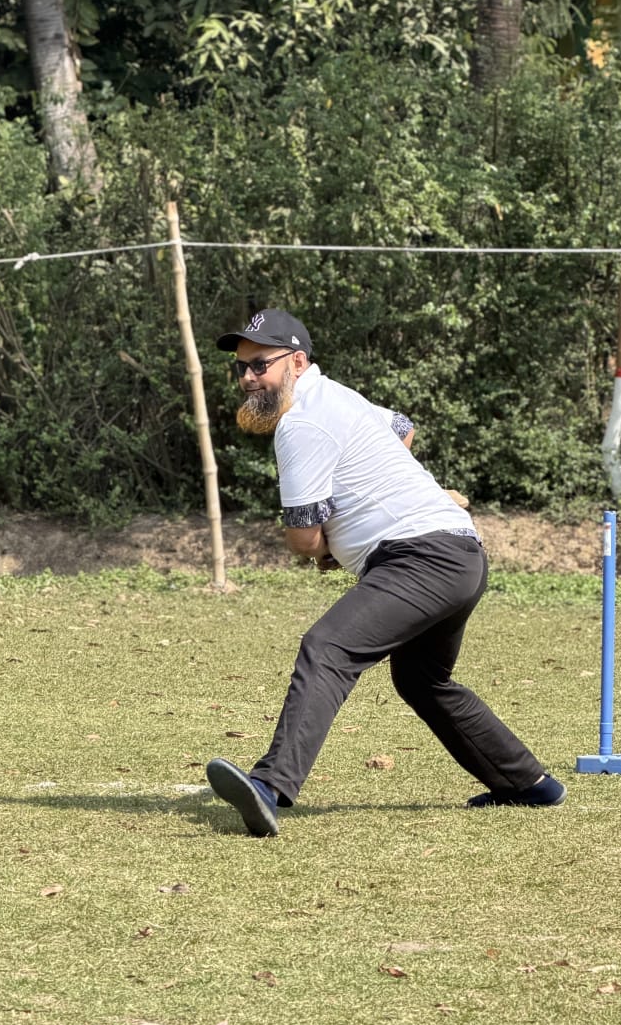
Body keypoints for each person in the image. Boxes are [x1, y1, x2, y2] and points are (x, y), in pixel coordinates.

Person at [205, 308, 565, 837]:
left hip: (423, 559)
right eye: (241, 368)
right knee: (421, 680)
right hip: (460, 553)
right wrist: (389, 498)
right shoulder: (339, 397)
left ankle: (269, 787)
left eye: (261, 364)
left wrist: (332, 545)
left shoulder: (300, 424)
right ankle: (527, 784)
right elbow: (403, 429)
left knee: (328, 647)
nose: (248, 378)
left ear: (297, 362)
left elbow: (304, 540)